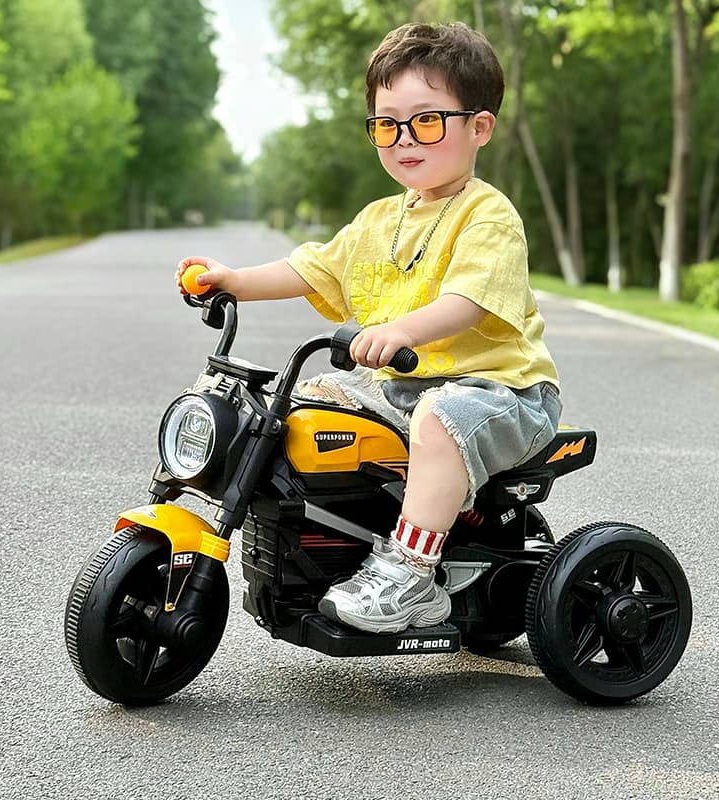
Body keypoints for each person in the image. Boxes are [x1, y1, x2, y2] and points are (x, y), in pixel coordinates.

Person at [175, 21, 562, 635]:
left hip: (499, 392)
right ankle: (333, 540)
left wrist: (402, 330)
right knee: (306, 405)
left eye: (426, 121)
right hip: (402, 387)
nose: (404, 139)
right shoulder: (379, 219)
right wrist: (233, 280)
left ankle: (412, 574)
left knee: (439, 418)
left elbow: (469, 301)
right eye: (387, 124)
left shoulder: (487, 215)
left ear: (480, 127)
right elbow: (310, 267)